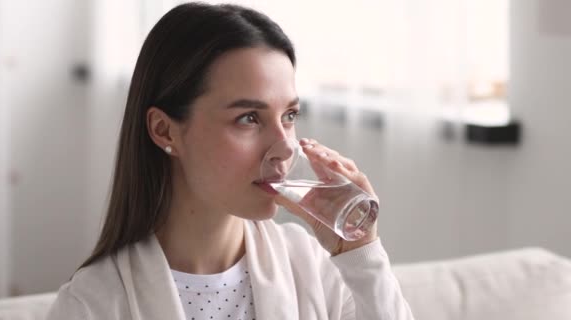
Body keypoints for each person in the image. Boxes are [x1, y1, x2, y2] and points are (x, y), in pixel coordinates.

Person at [47, 2, 414, 319]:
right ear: (165, 131)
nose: (285, 147)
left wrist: (361, 253)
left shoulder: (309, 265)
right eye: (249, 118)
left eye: (289, 115)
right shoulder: (91, 305)